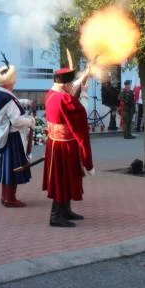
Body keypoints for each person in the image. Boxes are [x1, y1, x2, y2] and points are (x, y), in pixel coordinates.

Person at [43, 65, 94, 228]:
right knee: (63, 179)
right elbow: (81, 114)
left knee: (65, 178)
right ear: (65, 85)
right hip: (64, 146)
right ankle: (56, 216)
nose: (73, 85)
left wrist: (84, 76)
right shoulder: (65, 99)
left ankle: (65, 210)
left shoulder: (52, 94)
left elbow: (71, 91)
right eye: (70, 83)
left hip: (55, 143)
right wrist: (84, 93)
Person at [0, 55, 35, 207]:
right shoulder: (7, 98)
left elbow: (12, 104)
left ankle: (5, 196)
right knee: (13, 168)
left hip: (3, 135)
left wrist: (23, 102)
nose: (15, 82)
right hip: (12, 137)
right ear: (8, 82)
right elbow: (16, 120)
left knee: (6, 168)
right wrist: (30, 122)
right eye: (13, 80)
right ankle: (10, 198)